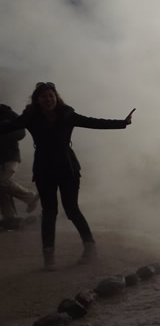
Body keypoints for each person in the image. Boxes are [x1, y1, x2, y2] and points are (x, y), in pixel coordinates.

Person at [0, 82, 134, 269]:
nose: (48, 99)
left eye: (51, 95)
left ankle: (90, 249)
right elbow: (8, 127)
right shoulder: (31, 117)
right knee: (49, 211)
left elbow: (92, 122)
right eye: (44, 96)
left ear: (56, 97)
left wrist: (122, 123)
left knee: (71, 209)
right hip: (44, 169)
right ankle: (49, 257)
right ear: (37, 100)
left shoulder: (67, 114)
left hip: (67, 168)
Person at [0, 103, 38, 229]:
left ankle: (30, 197)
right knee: (2, 188)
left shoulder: (6, 112)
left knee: (2, 182)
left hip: (10, 156)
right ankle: (9, 218)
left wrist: (3, 134)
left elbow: (21, 132)